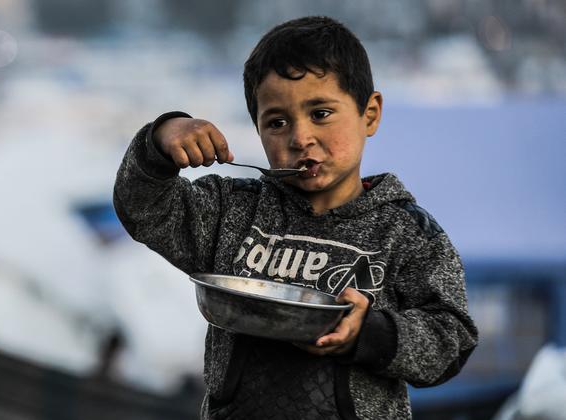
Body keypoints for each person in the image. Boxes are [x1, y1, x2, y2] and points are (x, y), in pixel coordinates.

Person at [113, 16, 478, 420]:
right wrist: (161, 139)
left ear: (370, 114)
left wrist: (369, 333)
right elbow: (143, 209)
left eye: (320, 113)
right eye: (277, 122)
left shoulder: (406, 233)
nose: (300, 138)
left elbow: (452, 340)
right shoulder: (232, 211)